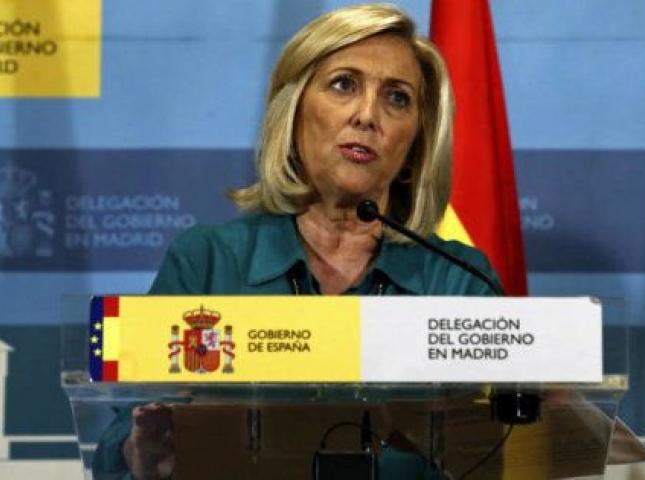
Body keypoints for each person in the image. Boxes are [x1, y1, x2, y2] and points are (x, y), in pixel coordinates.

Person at [93, 4, 500, 479]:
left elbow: (497, 447)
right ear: (293, 110)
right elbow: (120, 438)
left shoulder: (458, 280)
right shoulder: (207, 262)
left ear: (417, 138)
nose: (368, 115)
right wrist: (142, 454)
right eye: (344, 85)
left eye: (397, 98)